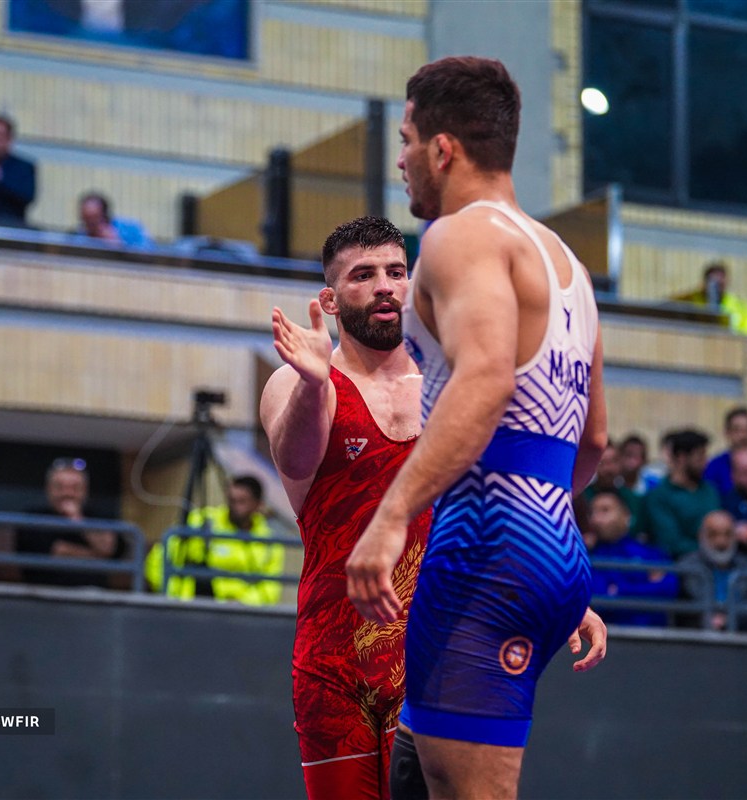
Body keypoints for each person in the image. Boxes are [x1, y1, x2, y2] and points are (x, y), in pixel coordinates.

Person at [343, 57, 608, 799]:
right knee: (416, 767)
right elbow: (593, 440)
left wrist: (391, 516)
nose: (399, 160)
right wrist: (541, 541)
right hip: (552, 544)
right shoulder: (569, 266)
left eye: (405, 140)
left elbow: (487, 377)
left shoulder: (459, 237)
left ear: (443, 149)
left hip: (487, 546)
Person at [258, 216, 432, 799]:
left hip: (430, 655)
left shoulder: (448, 386)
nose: (385, 286)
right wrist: (314, 384)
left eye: (396, 272)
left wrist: (558, 587)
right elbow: (296, 461)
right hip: (333, 665)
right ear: (330, 300)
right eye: (363, 275)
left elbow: (493, 503)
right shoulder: (296, 384)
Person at [143, 475, 283, 605]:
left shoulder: (269, 542)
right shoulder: (201, 522)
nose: (234, 507)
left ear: (258, 505)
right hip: (190, 606)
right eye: (231, 500)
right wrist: (172, 595)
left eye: (241, 502)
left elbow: (270, 588)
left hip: (240, 614)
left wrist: (242, 603)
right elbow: (159, 558)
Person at [15, 458, 123, 587]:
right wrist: (98, 557)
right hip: (42, 591)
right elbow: (56, 552)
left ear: (85, 490)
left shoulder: (99, 517)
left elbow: (109, 550)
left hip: (93, 593)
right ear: (48, 489)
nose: (67, 493)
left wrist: (77, 520)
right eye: (59, 487)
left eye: (75, 488)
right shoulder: (33, 518)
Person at [586, 488, 676, 627]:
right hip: (608, 634)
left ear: (626, 515)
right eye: (592, 512)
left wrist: (619, 590)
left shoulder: (649, 552)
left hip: (653, 634)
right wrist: (646, 587)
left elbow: (669, 589)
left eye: (605, 510)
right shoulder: (587, 557)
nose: (596, 519)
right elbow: (600, 599)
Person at [677, 510, 747, 632]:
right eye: (713, 534)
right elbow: (693, 603)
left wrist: (729, 620)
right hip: (698, 632)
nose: (721, 542)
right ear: (701, 535)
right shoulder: (687, 566)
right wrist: (711, 619)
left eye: (727, 534)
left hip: (742, 630)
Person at [643, 429, 721, 558]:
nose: (705, 463)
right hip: (680, 564)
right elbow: (671, 543)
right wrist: (712, 548)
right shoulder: (659, 497)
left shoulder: (710, 490)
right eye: (700, 457)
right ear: (681, 458)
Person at [673, 261, 747, 336]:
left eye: (720, 282)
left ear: (726, 282)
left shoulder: (739, 305)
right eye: (712, 281)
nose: (716, 286)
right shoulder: (689, 300)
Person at [582, 444, 643, 535]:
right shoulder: (583, 498)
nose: (608, 469)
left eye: (613, 462)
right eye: (602, 463)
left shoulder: (631, 498)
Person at [77, 192, 153, 248]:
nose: (90, 223)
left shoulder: (131, 228)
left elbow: (151, 253)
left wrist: (120, 246)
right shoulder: (81, 236)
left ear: (104, 215)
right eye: (86, 219)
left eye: (94, 218)